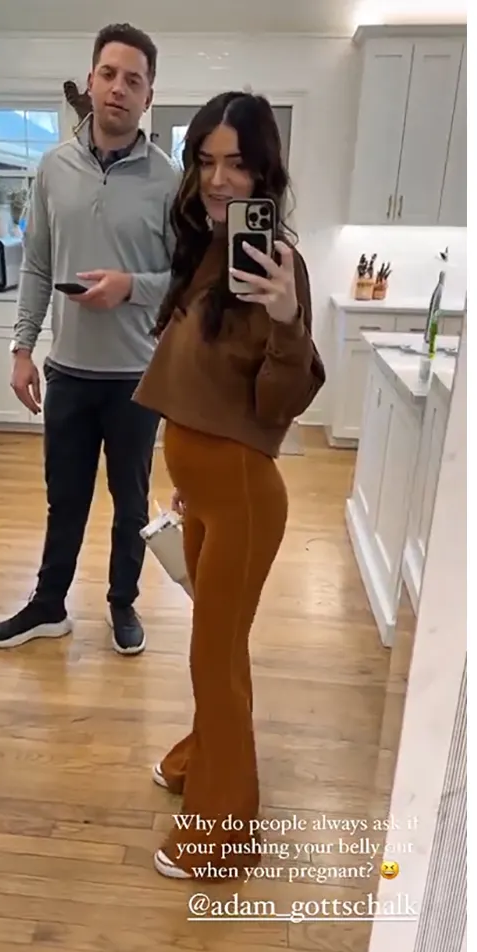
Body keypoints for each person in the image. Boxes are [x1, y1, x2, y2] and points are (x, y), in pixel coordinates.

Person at [131, 92, 326, 879]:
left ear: (264, 170)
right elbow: (199, 382)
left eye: (237, 164)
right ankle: (202, 759)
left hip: (245, 494)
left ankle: (224, 836)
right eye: (206, 161)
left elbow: (279, 402)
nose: (218, 180)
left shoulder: (278, 264)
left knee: (214, 659)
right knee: (216, 652)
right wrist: (187, 479)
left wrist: (288, 317)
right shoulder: (206, 248)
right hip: (207, 490)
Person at [0, 24, 180, 656]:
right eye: (109, 74)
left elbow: (184, 280)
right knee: (63, 500)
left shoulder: (170, 181)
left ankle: (123, 604)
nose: (119, 88)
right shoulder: (52, 168)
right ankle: (48, 606)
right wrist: (21, 349)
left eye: (134, 80)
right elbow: (37, 265)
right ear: (91, 80)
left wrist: (130, 287)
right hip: (66, 371)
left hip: (136, 378)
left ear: (148, 96)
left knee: (130, 505)